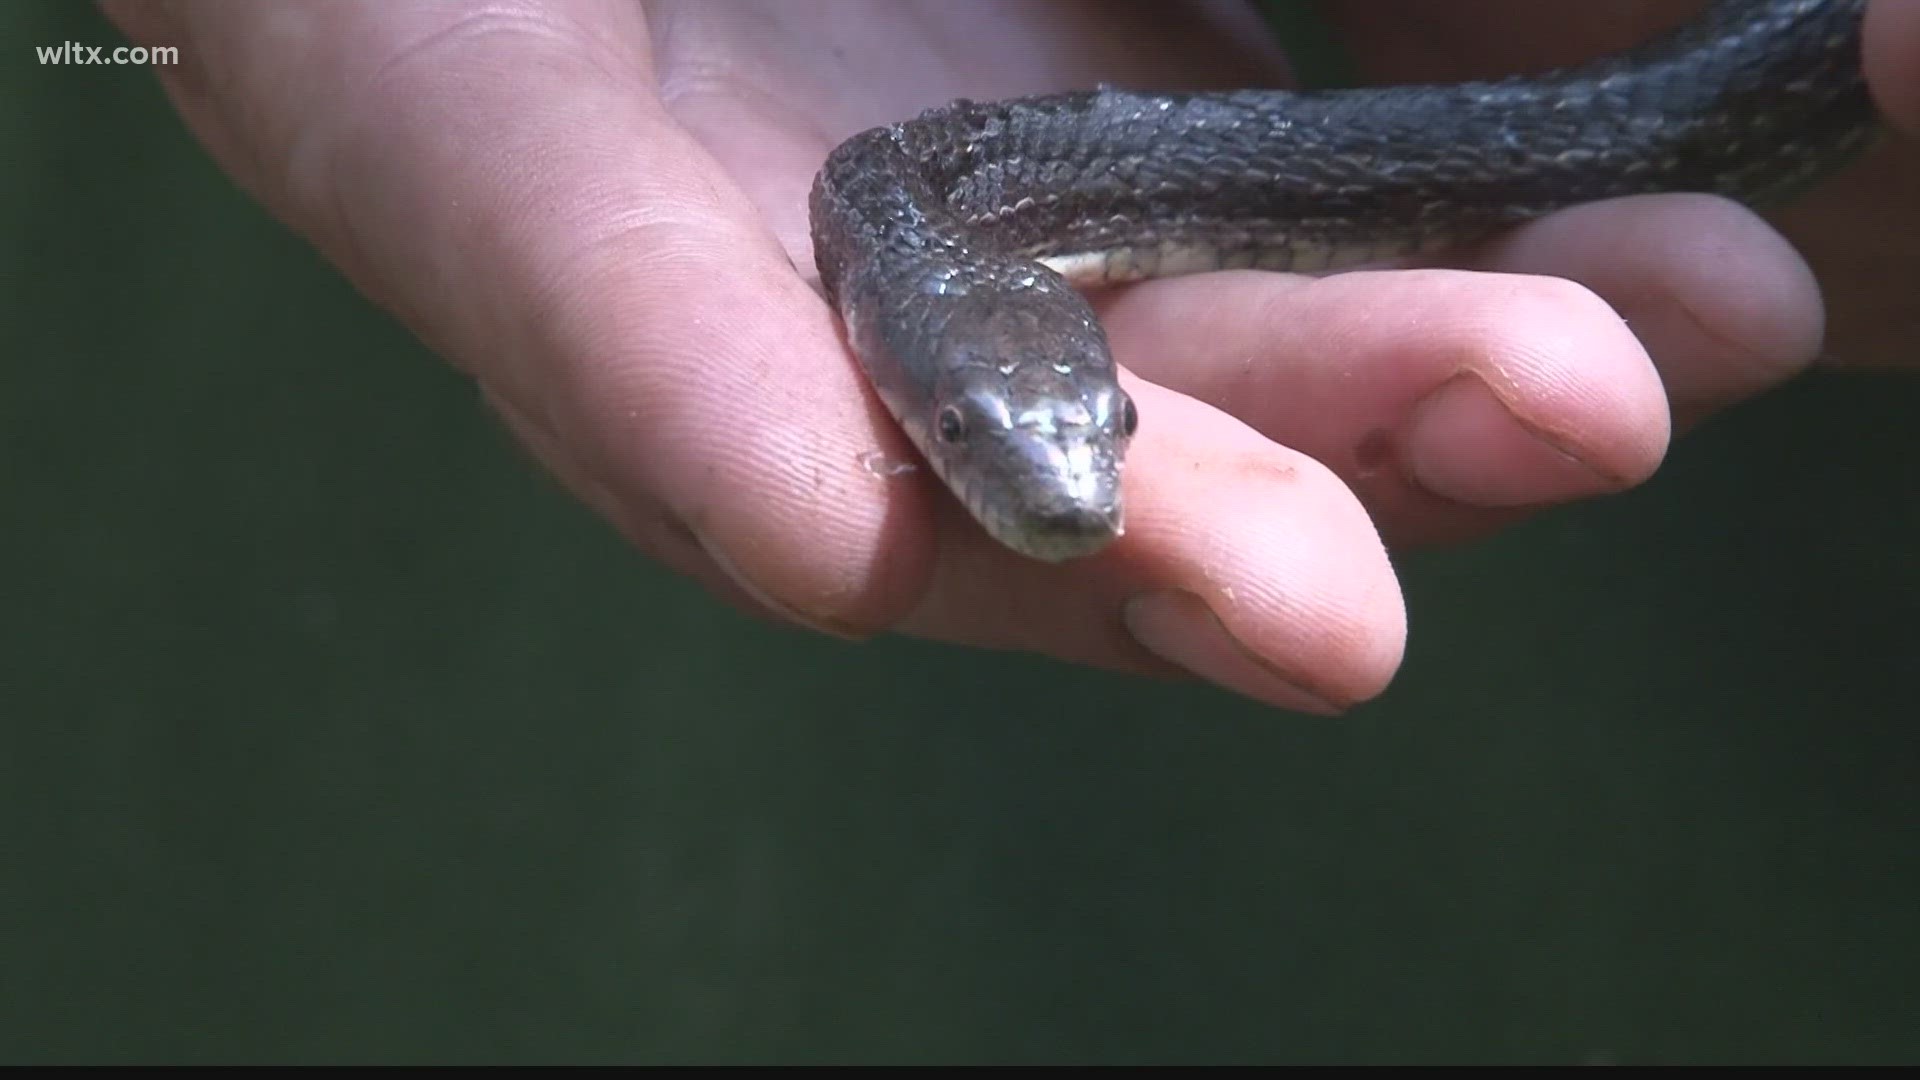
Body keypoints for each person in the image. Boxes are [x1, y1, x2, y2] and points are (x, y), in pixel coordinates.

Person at [100, 0, 1920, 713]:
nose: (1060, 490)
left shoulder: (952, 231)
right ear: (880, 344)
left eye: (1084, 426)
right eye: (982, 434)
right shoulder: (919, 225)